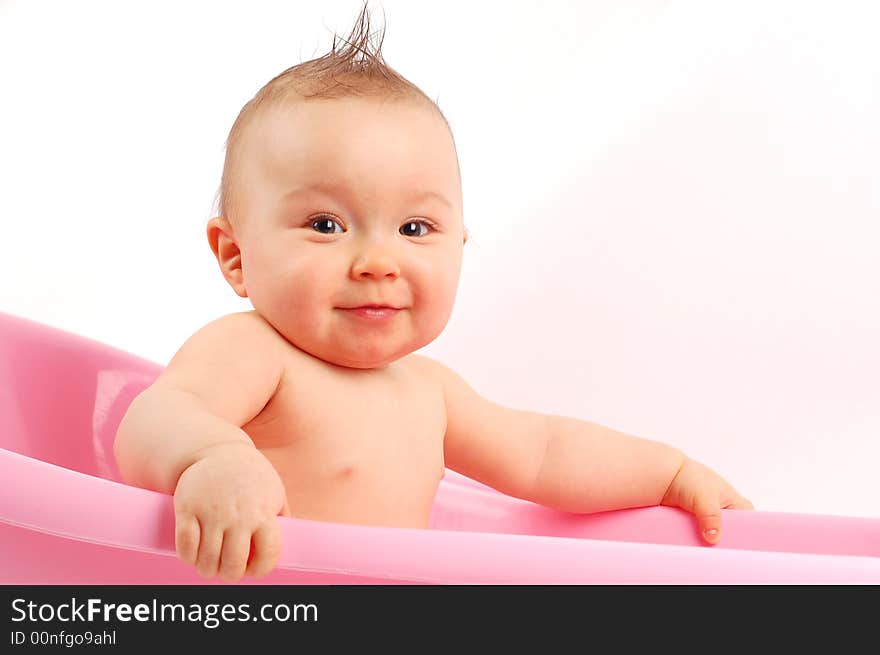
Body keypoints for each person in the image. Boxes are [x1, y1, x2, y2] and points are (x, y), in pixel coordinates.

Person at [114, 3, 752, 582]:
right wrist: (214, 459)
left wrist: (667, 474)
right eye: (325, 225)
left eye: (414, 227)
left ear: (460, 245)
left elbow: (545, 453)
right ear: (235, 254)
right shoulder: (254, 353)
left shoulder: (430, 392)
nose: (376, 262)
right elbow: (154, 416)